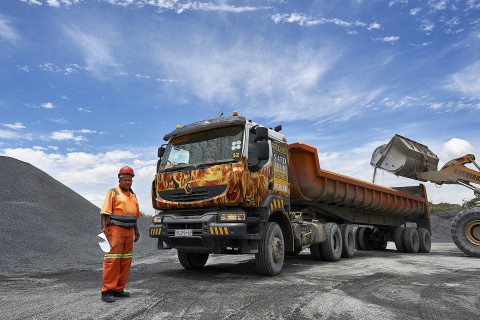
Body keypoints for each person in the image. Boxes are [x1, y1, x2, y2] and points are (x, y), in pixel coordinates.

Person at [100, 166, 140, 303]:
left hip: (129, 231)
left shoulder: (133, 195)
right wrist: (104, 228)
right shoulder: (113, 192)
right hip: (115, 230)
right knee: (112, 260)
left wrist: (136, 231)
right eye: (125, 180)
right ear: (119, 179)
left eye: (130, 180)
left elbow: (134, 215)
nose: (128, 182)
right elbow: (105, 213)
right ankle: (107, 291)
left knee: (125, 261)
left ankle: (118, 289)